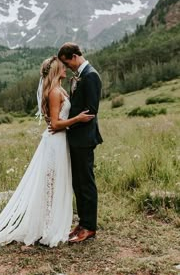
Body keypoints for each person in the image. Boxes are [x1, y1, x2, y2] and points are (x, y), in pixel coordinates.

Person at [0, 56, 94, 250]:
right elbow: (56, 124)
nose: (65, 69)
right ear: (56, 70)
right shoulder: (55, 92)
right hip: (55, 143)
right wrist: (78, 120)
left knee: (55, 183)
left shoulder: (60, 89)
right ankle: (47, 228)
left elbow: (57, 120)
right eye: (62, 67)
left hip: (60, 141)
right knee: (50, 184)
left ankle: (49, 225)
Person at [57, 42, 103, 243]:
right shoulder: (79, 76)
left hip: (84, 139)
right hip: (76, 138)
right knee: (78, 183)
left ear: (74, 56)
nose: (68, 68)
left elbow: (91, 111)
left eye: (68, 64)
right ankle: (83, 223)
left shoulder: (91, 76)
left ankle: (90, 227)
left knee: (86, 183)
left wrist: (67, 123)